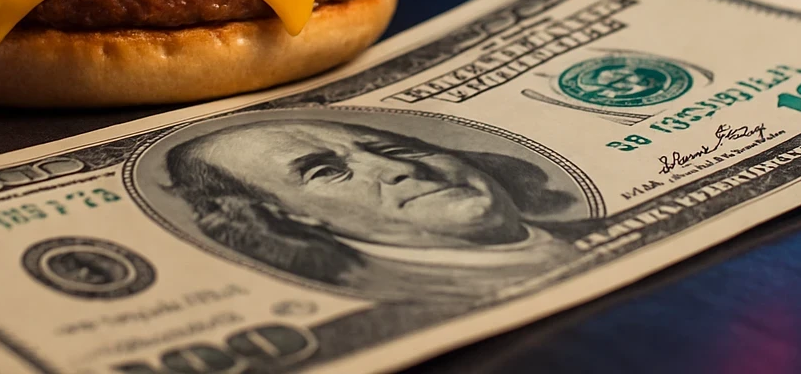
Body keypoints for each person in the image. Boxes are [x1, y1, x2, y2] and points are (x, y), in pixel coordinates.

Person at [163, 118, 596, 302]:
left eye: (390, 148)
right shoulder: (387, 293)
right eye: (326, 172)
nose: (396, 168)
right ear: (289, 215)